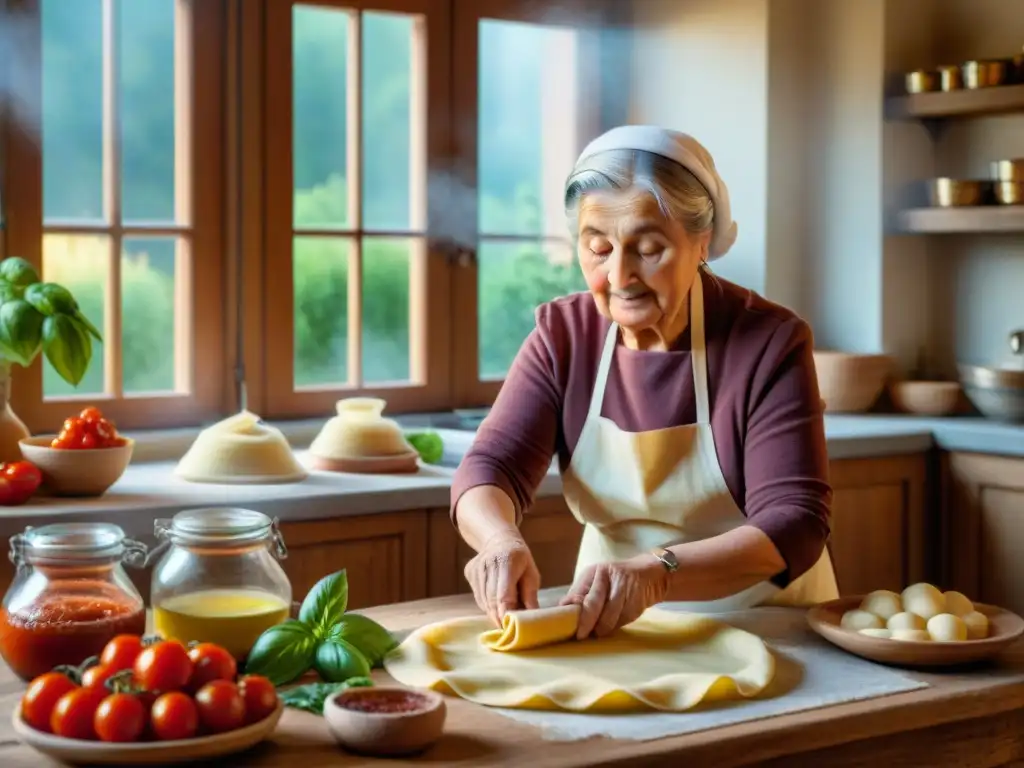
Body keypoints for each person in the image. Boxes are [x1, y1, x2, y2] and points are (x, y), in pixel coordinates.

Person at [451, 125, 838, 640]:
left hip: (763, 625)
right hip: (611, 626)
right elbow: (490, 466)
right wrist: (499, 540)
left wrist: (658, 573)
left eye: (648, 248)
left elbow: (795, 521)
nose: (619, 276)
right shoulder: (563, 336)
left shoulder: (769, 342)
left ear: (702, 242)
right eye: (597, 248)